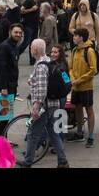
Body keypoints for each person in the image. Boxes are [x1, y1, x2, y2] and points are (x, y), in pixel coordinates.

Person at [20, 38, 69, 168]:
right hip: (53, 104)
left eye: (31, 48)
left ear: (35, 50)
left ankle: (27, 162)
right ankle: (63, 161)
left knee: (32, 134)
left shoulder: (41, 66)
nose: (30, 50)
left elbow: (42, 90)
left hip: (44, 107)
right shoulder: (49, 61)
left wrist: (36, 108)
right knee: (53, 134)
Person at [66, 26, 99, 148]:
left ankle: (90, 136)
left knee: (89, 110)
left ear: (81, 38)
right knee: (78, 109)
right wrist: (72, 79)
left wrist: (79, 80)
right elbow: (70, 67)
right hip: (76, 87)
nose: (73, 37)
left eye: (75, 36)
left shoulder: (89, 51)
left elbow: (93, 70)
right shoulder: (74, 50)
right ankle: (79, 132)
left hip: (86, 87)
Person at [0, 24, 24, 138]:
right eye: (16, 32)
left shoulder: (14, 46)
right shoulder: (4, 46)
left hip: (12, 85)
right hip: (6, 86)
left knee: (6, 114)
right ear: (10, 32)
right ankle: (2, 139)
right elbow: (1, 68)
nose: (18, 35)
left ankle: (3, 137)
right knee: (4, 115)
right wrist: (3, 87)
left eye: (20, 33)